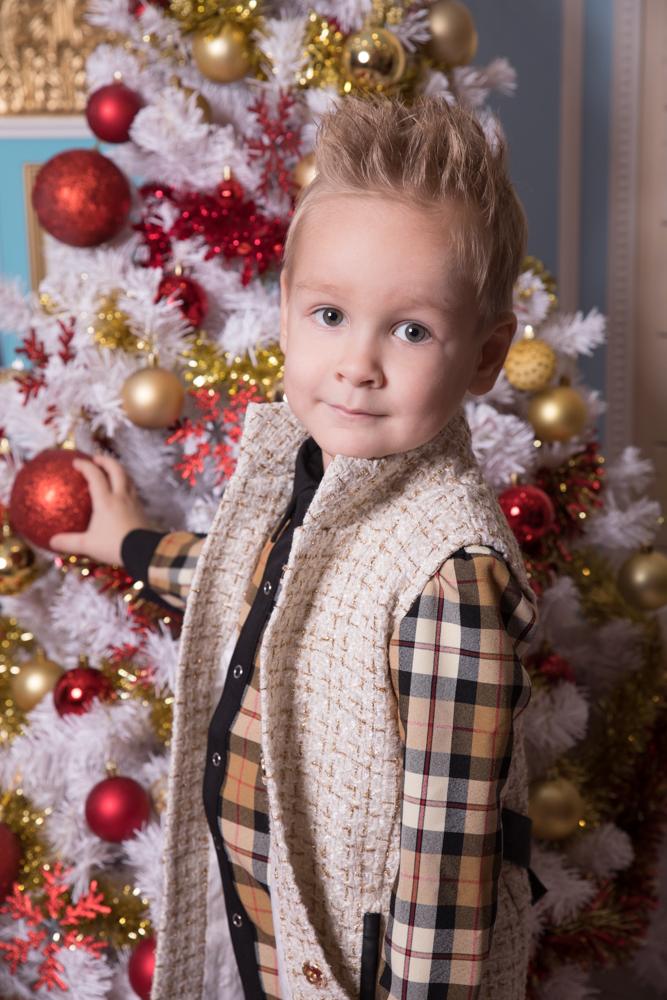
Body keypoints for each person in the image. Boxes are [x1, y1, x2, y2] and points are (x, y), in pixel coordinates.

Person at [50, 93, 546, 1000]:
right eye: (329, 315)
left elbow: (446, 874)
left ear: (483, 357)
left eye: (410, 329)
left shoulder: (449, 575)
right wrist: (132, 544)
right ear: (284, 312)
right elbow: (252, 581)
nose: (357, 363)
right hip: (272, 937)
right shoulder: (315, 481)